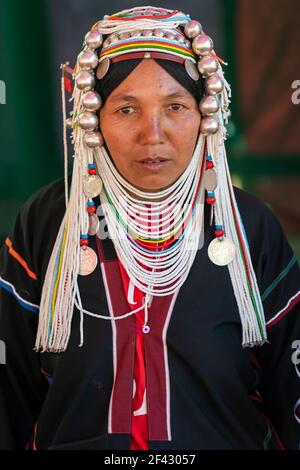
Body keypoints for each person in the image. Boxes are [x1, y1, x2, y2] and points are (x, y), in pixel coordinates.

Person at [0, 6, 299, 451]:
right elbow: (10, 398)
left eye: (175, 106)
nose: (152, 134)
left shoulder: (249, 228)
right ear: (94, 120)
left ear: (205, 115)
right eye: (125, 109)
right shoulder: (48, 222)